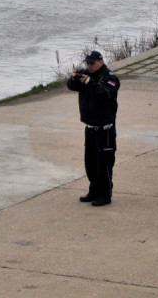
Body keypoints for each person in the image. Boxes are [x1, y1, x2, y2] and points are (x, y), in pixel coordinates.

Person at [66, 50, 120, 207]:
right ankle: (94, 190)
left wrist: (88, 82)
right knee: (90, 163)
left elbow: (104, 93)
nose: (89, 66)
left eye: (92, 63)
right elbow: (71, 86)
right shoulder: (86, 75)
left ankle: (105, 195)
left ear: (100, 62)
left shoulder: (110, 78)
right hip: (90, 128)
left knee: (104, 163)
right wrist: (74, 78)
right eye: (87, 63)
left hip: (105, 129)